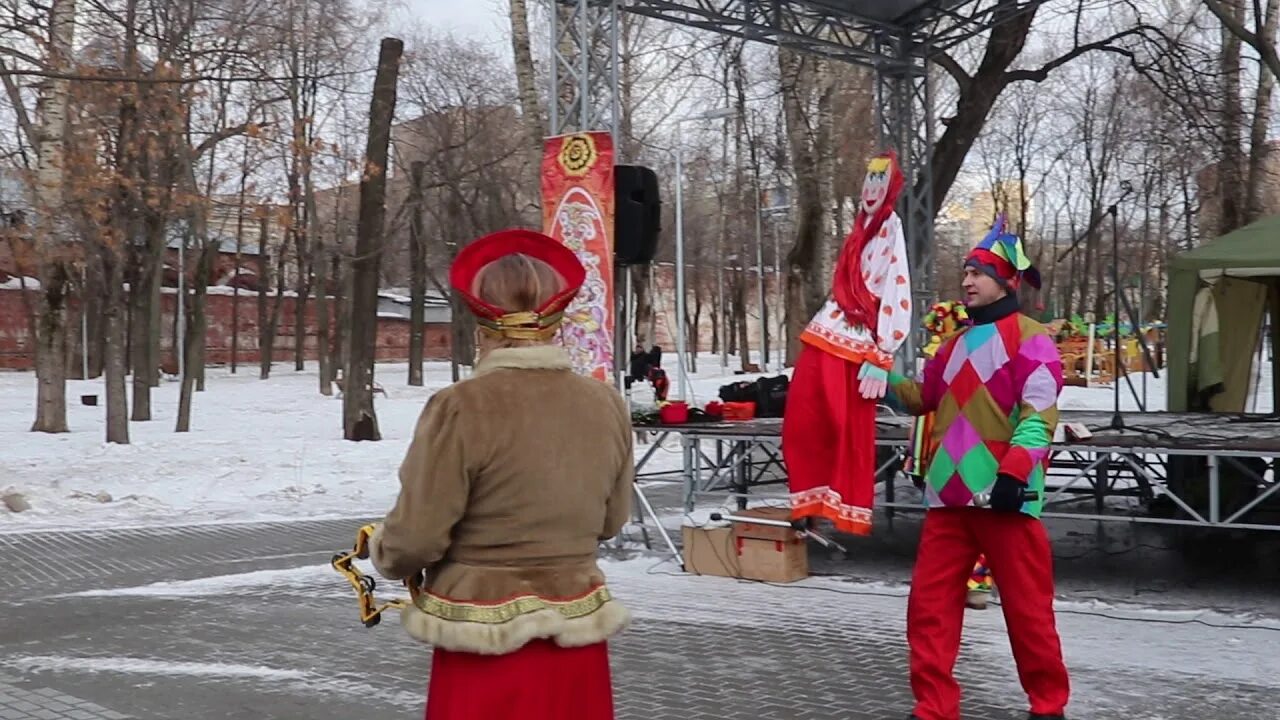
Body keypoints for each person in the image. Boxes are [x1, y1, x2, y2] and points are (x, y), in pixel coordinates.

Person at [367, 228, 634, 720]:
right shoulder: (606, 403)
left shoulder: (461, 406)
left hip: (482, 637)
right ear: (557, 317)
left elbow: (418, 536)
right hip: (574, 627)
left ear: (479, 320)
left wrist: (384, 549)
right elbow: (613, 519)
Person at [889, 215, 1069, 720]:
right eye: (965, 272)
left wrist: (1014, 473)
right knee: (928, 611)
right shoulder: (950, 345)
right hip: (948, 496)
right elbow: (921, 399)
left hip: (1004, 496)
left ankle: (1048, 707)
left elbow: (1040, 413)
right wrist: (873, 371)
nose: (966, 281)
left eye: (977, 272)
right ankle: (934, 708)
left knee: (1028, 611)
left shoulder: (1033, 338)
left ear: (1006, 279)